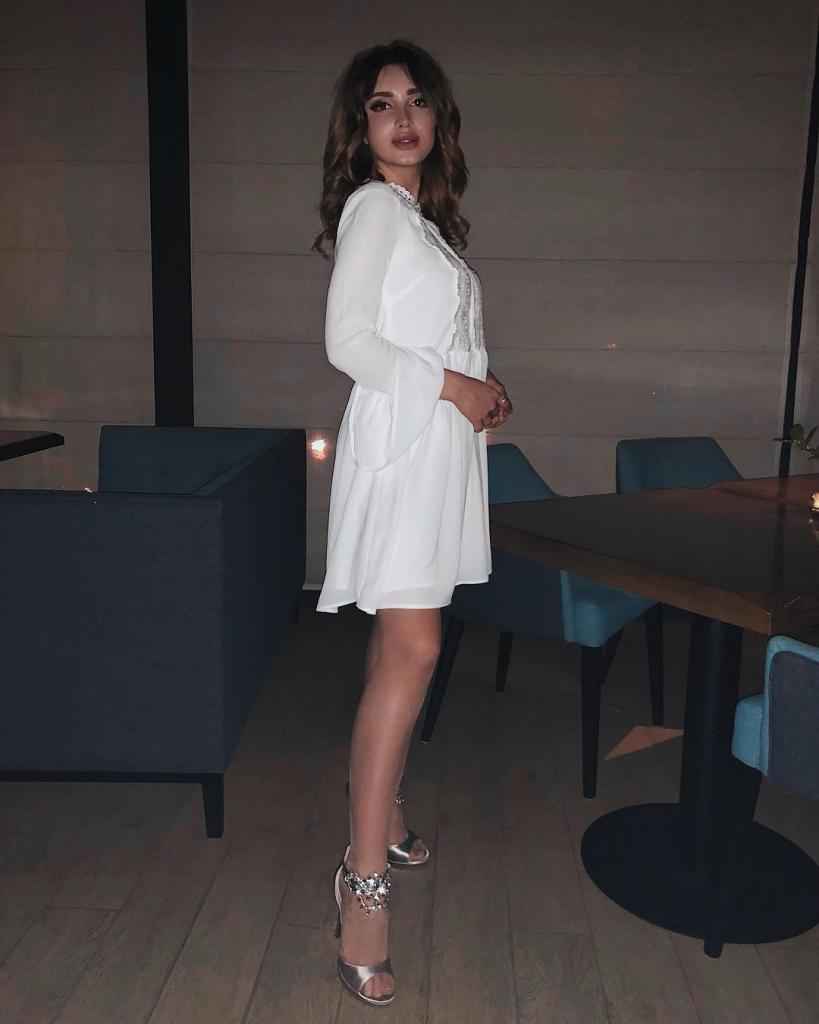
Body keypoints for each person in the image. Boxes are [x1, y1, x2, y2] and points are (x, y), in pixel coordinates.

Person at [313, 39, 513, 1007]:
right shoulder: (372, 208)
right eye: (381, 104)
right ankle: (361, 885)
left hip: (432, 451)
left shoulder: (421, 223)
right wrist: (455, 387)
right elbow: (347, 342)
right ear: (360, 128)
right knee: (416, 648)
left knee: (399, 642)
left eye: (417, 100)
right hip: (400, 456)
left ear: (439, 119)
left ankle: (384, 808)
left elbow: (428, 338)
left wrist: (479, 385)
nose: (402, 118)